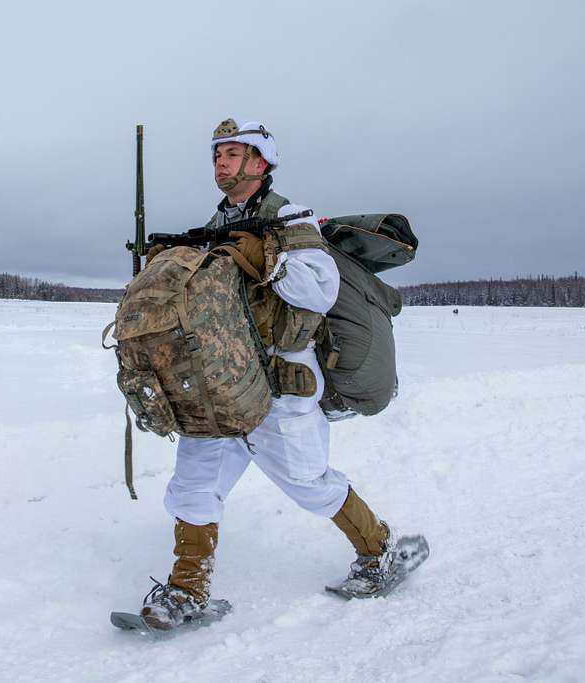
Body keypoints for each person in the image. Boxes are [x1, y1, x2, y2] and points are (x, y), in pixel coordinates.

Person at [139, 119, 417, 629]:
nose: (221, 162)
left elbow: (318, 290)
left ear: (260, 162)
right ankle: (187, 590)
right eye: (216, 155)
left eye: (232, 153)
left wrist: (267, 260)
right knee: (194, 482)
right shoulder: (212, 224)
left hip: (281, 381)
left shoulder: (290, 219)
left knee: (309, 482)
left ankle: (380, 549)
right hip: (221, 381)